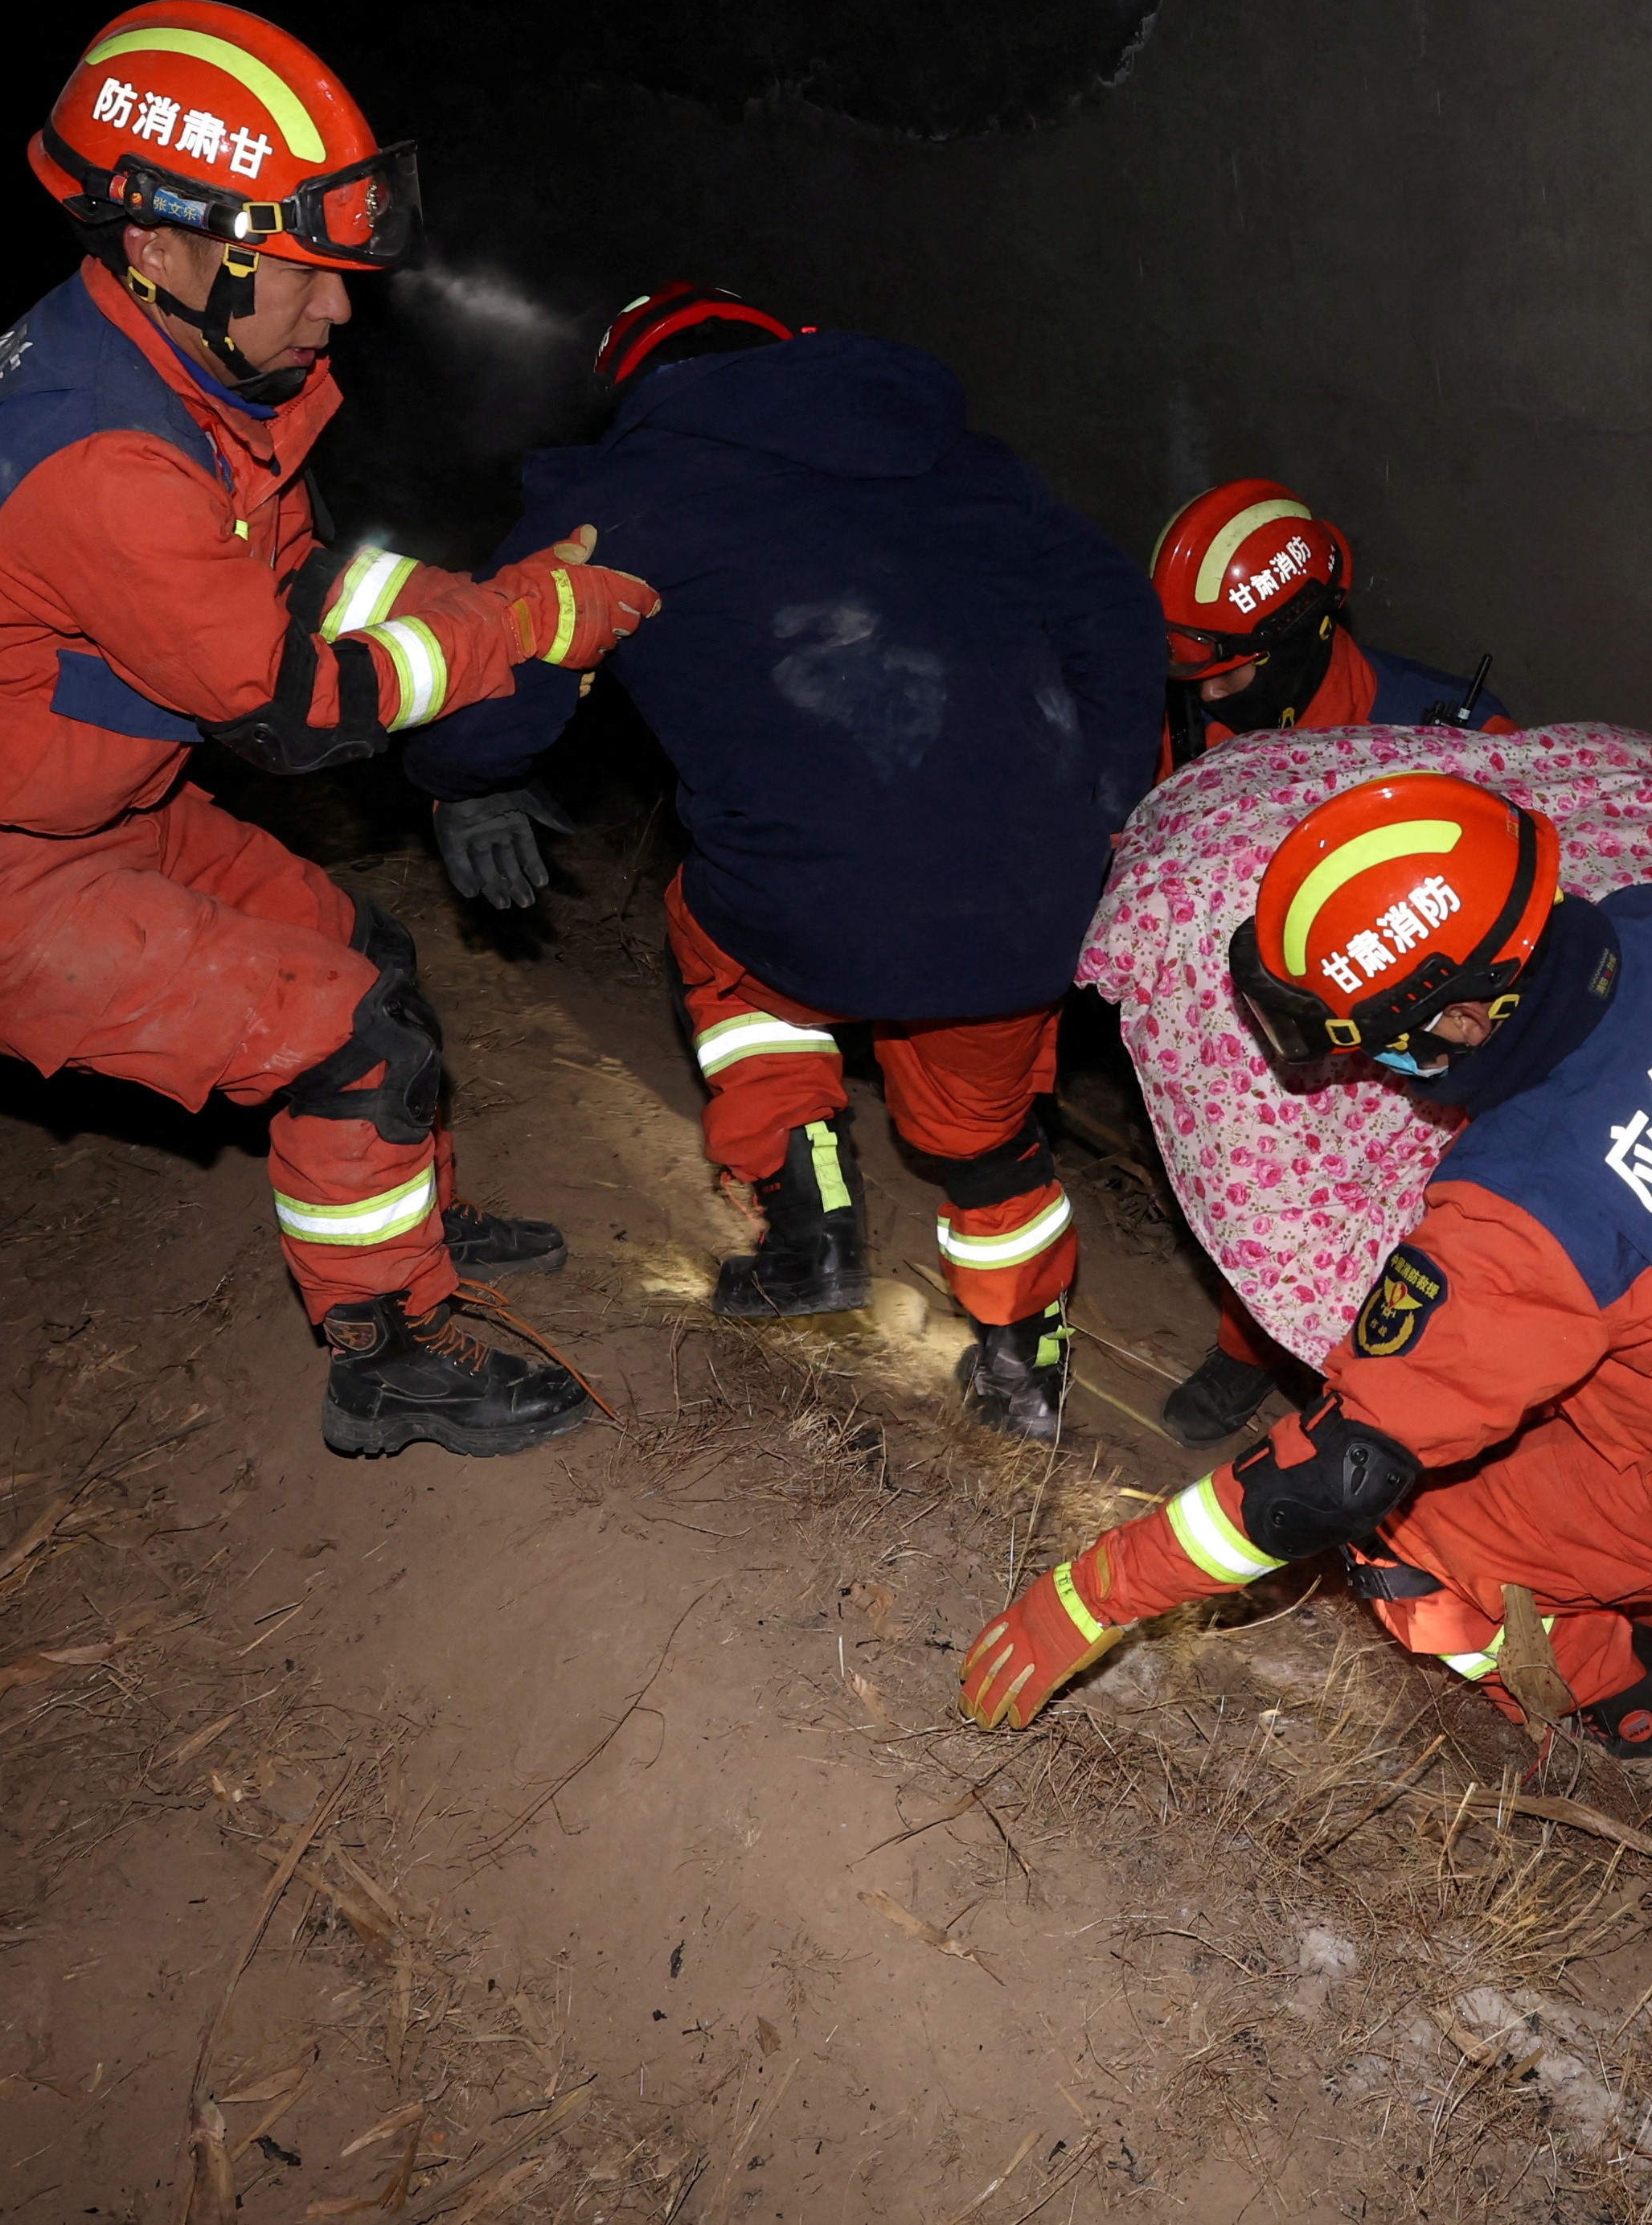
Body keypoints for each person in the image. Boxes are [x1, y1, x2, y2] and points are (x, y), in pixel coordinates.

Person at [0, 1, 648, 1459]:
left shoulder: (201, 377)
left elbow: (303, 583)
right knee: (343, 1039)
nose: (340, 310)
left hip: (66, 796)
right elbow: (298, 711)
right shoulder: (102, 457)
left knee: (372, 954)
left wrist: (483, 596)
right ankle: (389, 1356)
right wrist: (526, 631)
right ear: (162, 245)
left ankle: (404, 1215)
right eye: (301, 272)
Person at [954, 775, 1652, 1931]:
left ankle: (1628, 1726)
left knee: (1406, 1540)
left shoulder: (1530, 1205)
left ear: (1461, 1017)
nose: (1378, 1076)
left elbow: (1329, 1475)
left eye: (1382, 1047)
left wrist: (1090, 1600)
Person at [403, 282, 1163, 1439]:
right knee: (980, 1130)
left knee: (718, 944)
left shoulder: (633, 489)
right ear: (800, 349)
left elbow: (503, 656)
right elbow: (1115, 611)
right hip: (1027, 903)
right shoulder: (971, 462)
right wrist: (1106, 800)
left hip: (808, 905)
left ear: (642, 389)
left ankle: (805, 1215)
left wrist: (462, 778)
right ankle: (1024, 1360)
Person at [1140, 478, 1534, 1446]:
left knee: (1427, 1239)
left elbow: (1525, 901)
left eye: (1227, 674)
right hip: (1281, 1042)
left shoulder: (1453, 739)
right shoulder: (1196, 729)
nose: (1207, 698)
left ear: (1304, 632)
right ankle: (1248, 1346)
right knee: (1266, 1197)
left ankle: (1366, 1397)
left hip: (1418, 1046)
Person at [1147, 477, 1522, 777]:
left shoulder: (1475, 746)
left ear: (1296, 650)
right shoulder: (1179, 728)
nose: (1207, 694)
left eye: (1228, 673)